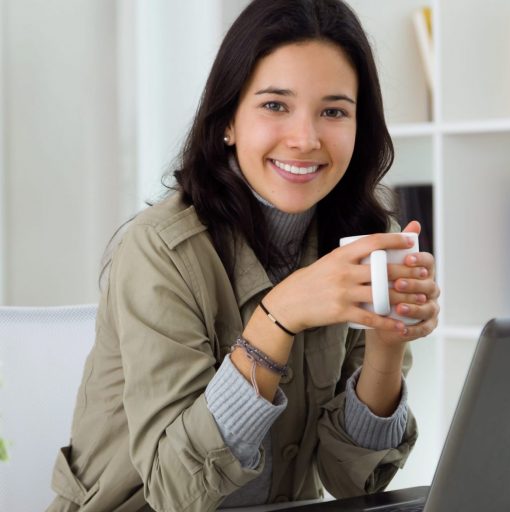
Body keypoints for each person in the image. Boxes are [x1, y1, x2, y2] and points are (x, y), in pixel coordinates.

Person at [47, 1, 440, 510]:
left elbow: (352, 483)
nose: (305, 139)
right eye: (275, 105)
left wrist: (388, 345)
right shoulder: (160, 252)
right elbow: (175, 491)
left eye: (334, 111)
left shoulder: (362, 239)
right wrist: (279, 318)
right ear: (228, 120)